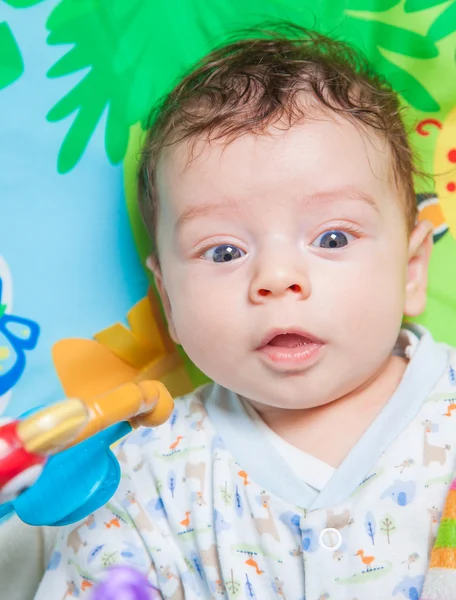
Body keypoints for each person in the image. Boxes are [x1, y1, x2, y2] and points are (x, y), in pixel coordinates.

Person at [30, 25, 455, 599]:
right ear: (169, 302)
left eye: (332, 239)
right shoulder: (143, 479)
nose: (277, 279)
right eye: (225, 251)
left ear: (410, 271)